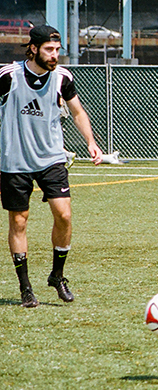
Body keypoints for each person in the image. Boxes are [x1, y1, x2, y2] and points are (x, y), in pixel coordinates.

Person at [1, 25, 103, 308]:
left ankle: (57, 276)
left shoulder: (62, 78)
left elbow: (77, 111)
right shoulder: (9, 76)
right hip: (15, 160)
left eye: (58, 50)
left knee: (64, 215)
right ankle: (25, 287)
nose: (55, 55)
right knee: (19, 222)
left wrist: (91, 142)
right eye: (49, 49)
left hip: (51, 159)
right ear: (33, 49)